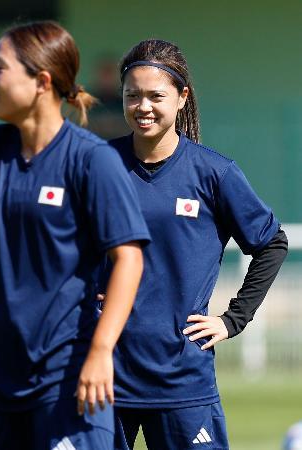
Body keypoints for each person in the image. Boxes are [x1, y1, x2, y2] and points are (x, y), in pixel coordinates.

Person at [104, 39, 288, 450]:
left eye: (156, 95)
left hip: (182, 379)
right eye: (132, 95)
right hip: (104, 376)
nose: (142, 106)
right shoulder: (99, 166)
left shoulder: (214, 173)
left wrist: (232, 320)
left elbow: (271, 244)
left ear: (182, 97)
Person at [0, 21, 150, 450]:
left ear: (41, 81)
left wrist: (100, 352)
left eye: (0, 69)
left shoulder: (91, 160)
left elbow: (129, 258)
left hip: (68, 377)